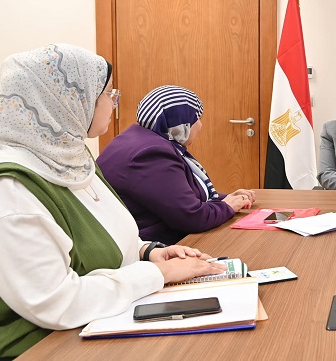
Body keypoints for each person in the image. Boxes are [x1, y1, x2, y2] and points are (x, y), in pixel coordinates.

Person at [0, 44, 227, 358]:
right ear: (66, 100)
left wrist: (149, 252)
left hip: (93, 323)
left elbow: (97, 233)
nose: (114, 103)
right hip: (31, 346)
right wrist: (160, 274)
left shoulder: (68, 157)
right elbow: (56, 303)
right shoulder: (5, 191)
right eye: (108, 94)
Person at [97, 85, 256, 245]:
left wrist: (225, 198)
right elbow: (192, 217)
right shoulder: (152, 153)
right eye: (197, 118)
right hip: (152, 246)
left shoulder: (140, 138)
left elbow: (177, 196)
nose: (200, 125)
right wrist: (227, 206)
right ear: (182, 124)